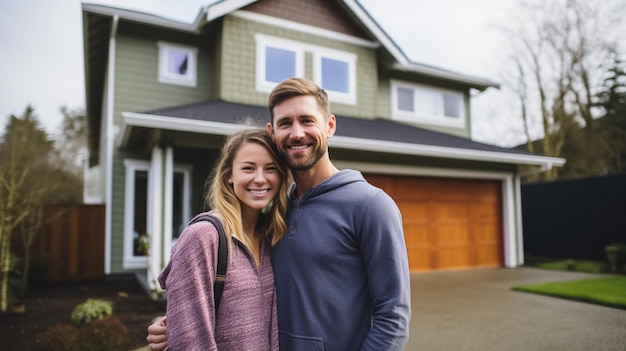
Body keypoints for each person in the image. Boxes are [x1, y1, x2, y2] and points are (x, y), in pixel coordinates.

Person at [147, 77, 411, 351]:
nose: (297, 133)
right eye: (286, 123)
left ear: (329, 125)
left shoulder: (371, 206)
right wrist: (180, 324)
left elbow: (393, 317)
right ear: (272, 132)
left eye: (307, 120)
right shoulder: (275, 211)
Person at [156, 128, 291, 350]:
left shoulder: (271, 237)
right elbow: (190, 342)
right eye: (248, 168)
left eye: (271, 169)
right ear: (230, 174)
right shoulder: (203, 237)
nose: (260, 179)